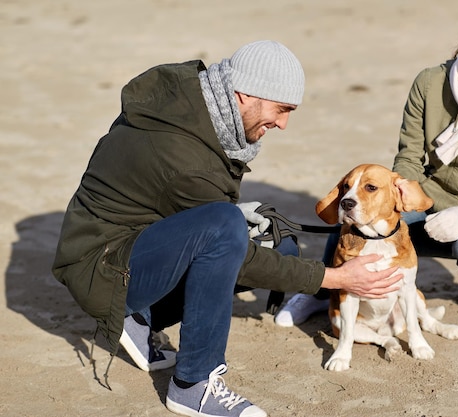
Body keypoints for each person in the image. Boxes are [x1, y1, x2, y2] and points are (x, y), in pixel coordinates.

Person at [52, 40, 402, 417]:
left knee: (278, 247)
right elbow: (220, 230)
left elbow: (163, 195)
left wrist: (227, 212)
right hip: (102, 268)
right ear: (243, 95)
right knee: (224, 227)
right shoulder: (182, 154)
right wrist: (333, 279)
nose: (283, 123)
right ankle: (192, 384)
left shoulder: (197, 101)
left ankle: (142, 317)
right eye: (281, 109)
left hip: (134, 244)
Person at [276, 0, 458, 333]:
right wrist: (402, 195)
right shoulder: (431, 83)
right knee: (361, 212)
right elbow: (408, 157)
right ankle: (327, 287)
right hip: (428, 198)